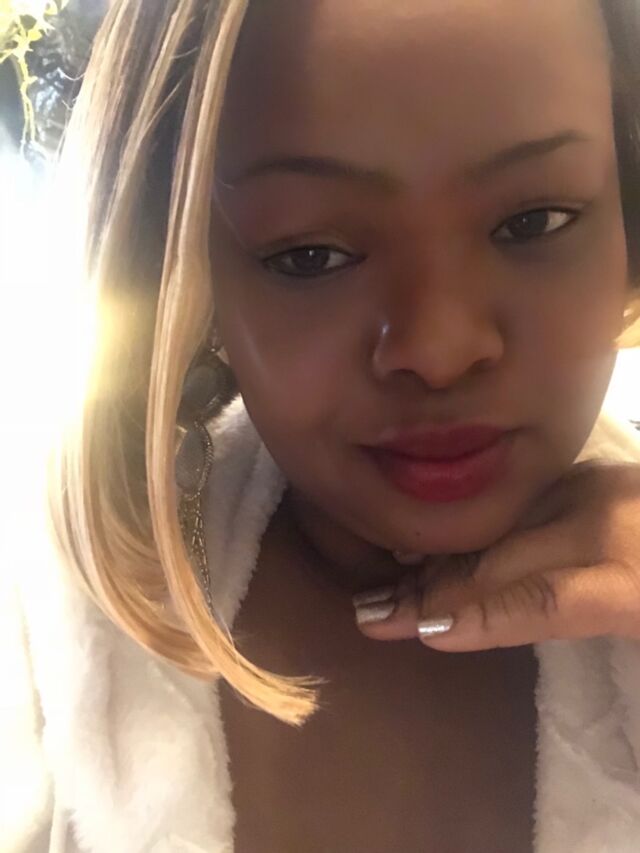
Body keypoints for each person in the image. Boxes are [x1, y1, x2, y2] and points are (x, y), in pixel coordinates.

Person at [3, 0, 640, 850]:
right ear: (183, 270)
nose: (438, 350)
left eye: (534, 221)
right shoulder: (36, 636)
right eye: (310, 254)